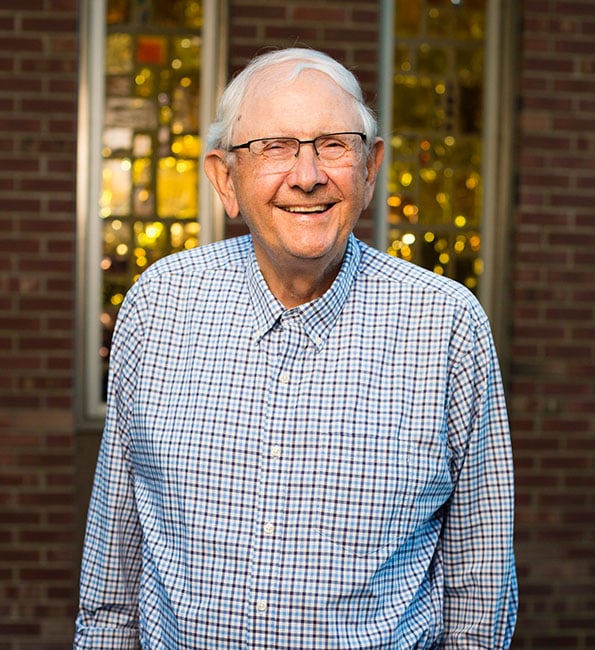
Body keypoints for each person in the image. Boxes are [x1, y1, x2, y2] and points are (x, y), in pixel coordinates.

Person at [74, 47, 517, 649]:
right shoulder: (158, 306)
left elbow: (481, 590)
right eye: (275, 147)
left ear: (370, 169)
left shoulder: (447, 326)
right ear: (225, 180)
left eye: (333, 144)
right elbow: (113, 573)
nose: (307, 176)